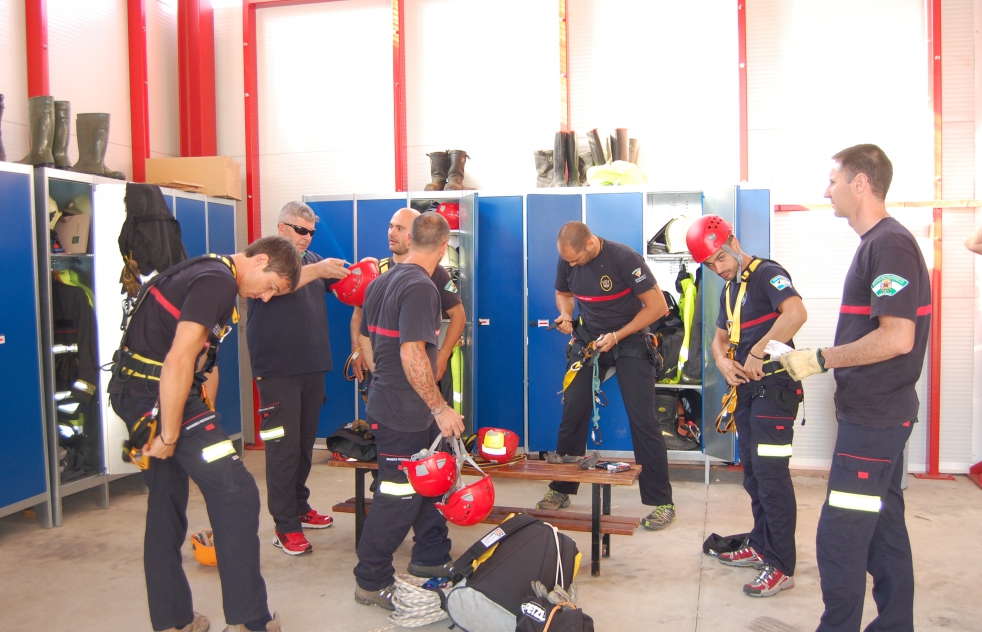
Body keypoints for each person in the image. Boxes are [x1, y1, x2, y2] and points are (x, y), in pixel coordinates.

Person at [109, 235, 305, 632]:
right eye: (271, 287)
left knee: (165, 503)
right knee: (237, 493)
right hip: (159, 400)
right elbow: (180, 357)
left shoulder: (207, 269)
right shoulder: (217, 281)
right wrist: (167, 434)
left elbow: (200, 358)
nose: (266, 297)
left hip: (139, 394)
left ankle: (173, 621)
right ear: (259, 260)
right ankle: (250, 621)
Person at [780, 144, 930, 631]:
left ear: (860, 183)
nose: (827, 190)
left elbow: (897, 337)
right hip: (880, 415)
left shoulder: (889, 245)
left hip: (875, 419)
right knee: (884, 533)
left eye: (834, 181)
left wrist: (821, 358)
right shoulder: (878, 244)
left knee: (840, 537)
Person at [687, 214, 807, 598]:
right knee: (754, 476)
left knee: (772, 479)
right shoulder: (729, 290)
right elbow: (718, 341)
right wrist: (722, 361)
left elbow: (796, 314)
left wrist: (758, 350)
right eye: (710, 265)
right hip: (748, 395)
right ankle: (760, 544)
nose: (718, 269)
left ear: (734, 244)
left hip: (775, 391)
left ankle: (781, 564)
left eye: (720, 259)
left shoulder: (768, 274)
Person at [352, 213, 465, 609]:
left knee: (430, 483)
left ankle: (430, 557)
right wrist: (438, 407)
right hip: (405, 412)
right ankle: (371, 579)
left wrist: (382, 376)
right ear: (443, 246)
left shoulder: (383, 280)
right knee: (397, 496)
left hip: (395, 402)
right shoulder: (420, 286)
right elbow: (412, 351)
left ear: (413, 238)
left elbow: (364, 337)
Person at [537, 221, 677, 531]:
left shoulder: (623, 258)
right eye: (567, 260)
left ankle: (661, 501)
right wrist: (565, 315)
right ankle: (561, 489)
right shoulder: (568, 258)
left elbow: (657, 307)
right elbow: (563, 293)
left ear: (589, 244)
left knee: (643, 419)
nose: (570, 264)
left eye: (574, 259)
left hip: (630, 337)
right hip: (590, 338)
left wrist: (618, 335)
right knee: (573, 411)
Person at [247, 201, 351, 556]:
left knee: (305, 445)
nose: (307, 238)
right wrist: (320, 269)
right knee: (282, 449)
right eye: (300, 230)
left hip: (311, 366)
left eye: (311, 232)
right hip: (277, 370)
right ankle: (284, 525)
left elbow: (344, 287)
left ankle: (299, 506)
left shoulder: (313, 261)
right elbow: (278, 285)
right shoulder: (262, 257)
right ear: (281, 227)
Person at [349, 207, 465, 409]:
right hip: (385, 371)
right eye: (391, 226)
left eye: (400, 228)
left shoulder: (434, 274)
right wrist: (357, 350)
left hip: (418, 372)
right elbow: (359, 314)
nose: (392, 233)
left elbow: (459, 315)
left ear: (415, 236)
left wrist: (443, 355)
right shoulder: (376, 271)